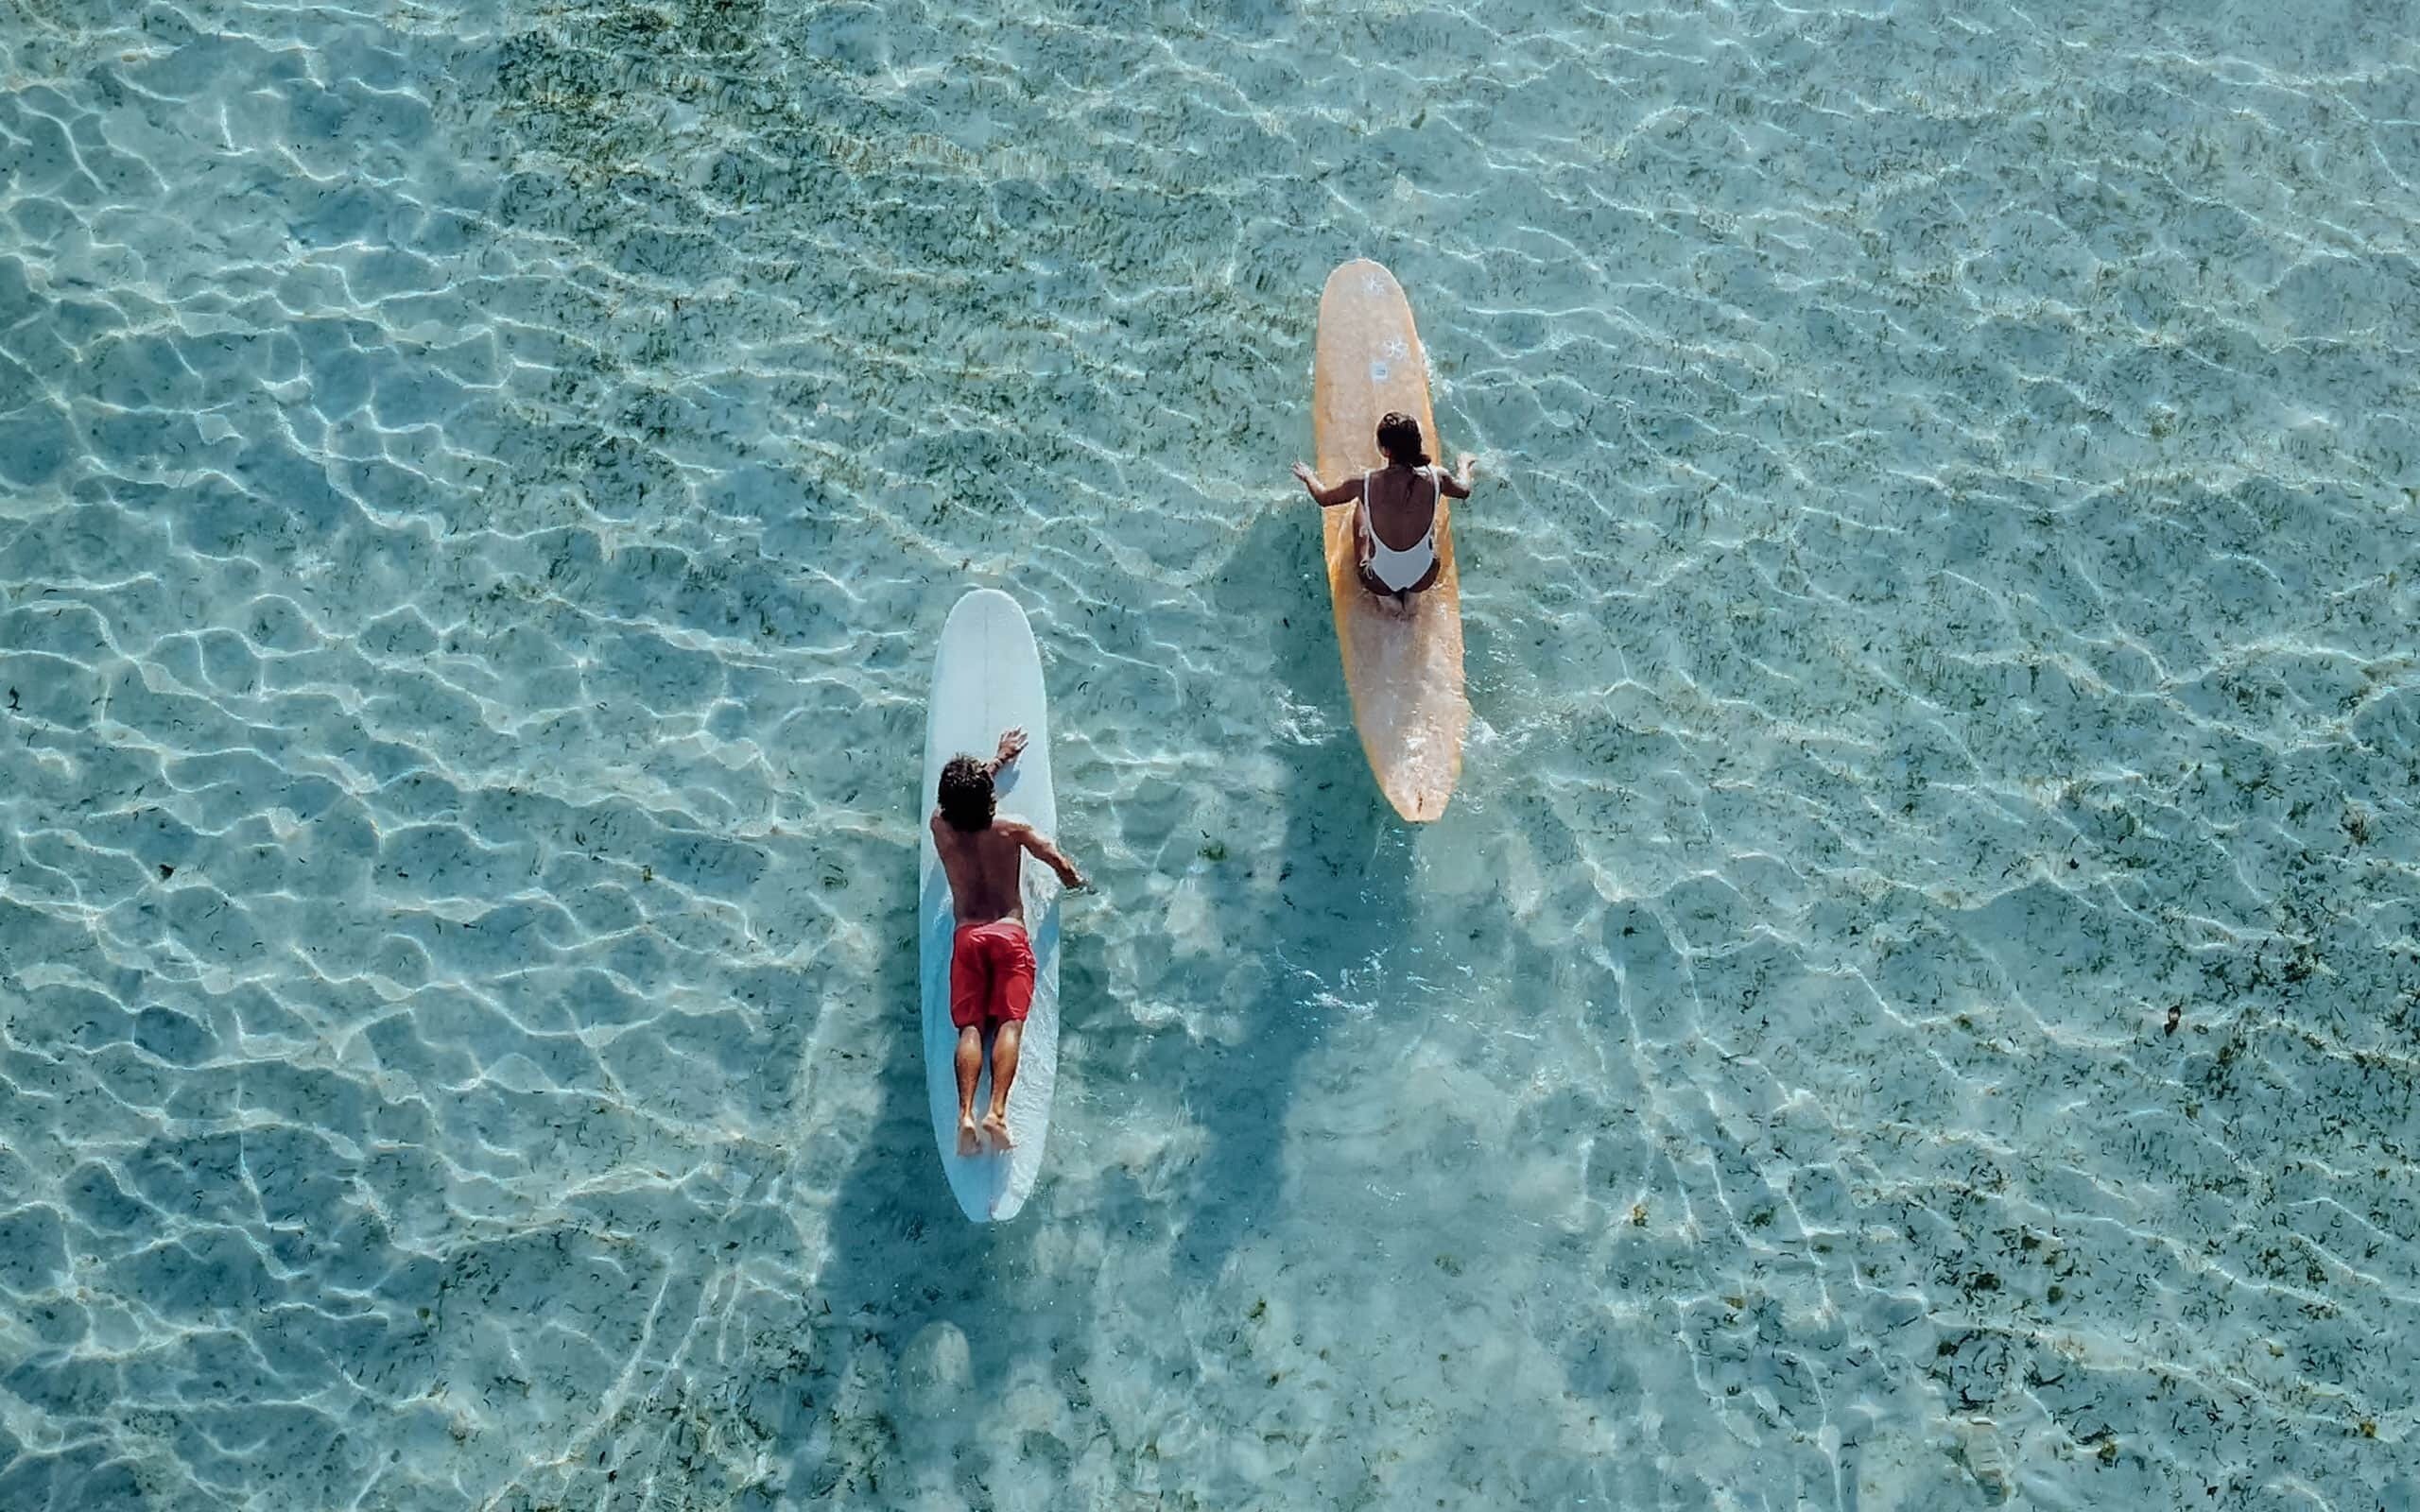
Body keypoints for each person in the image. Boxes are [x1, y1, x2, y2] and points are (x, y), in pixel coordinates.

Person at [930, 728, 1087, 1156]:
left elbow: (961, 799)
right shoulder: (1013, 829)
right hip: (1009, 933)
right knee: (1009, 1023)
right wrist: (1076, 882)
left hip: (968, 936)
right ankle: (996, 1112)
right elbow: (1056, 859)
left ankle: (964, 1114)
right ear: (990, 800)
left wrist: (995, 761)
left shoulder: (939, 826)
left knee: (972, 1027)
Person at [1291, 411, 1478, 610]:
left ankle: (1388, 601)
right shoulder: (1438, 477)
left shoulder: (1365, 483)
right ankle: (1413, 599)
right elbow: (1464, 491)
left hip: (1380, 580)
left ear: (1385, 451)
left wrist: (1308, 477)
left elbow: (1323, 498)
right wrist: (1464, 465)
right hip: (1424, 575)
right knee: (1429, 524)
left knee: (1362, 506)